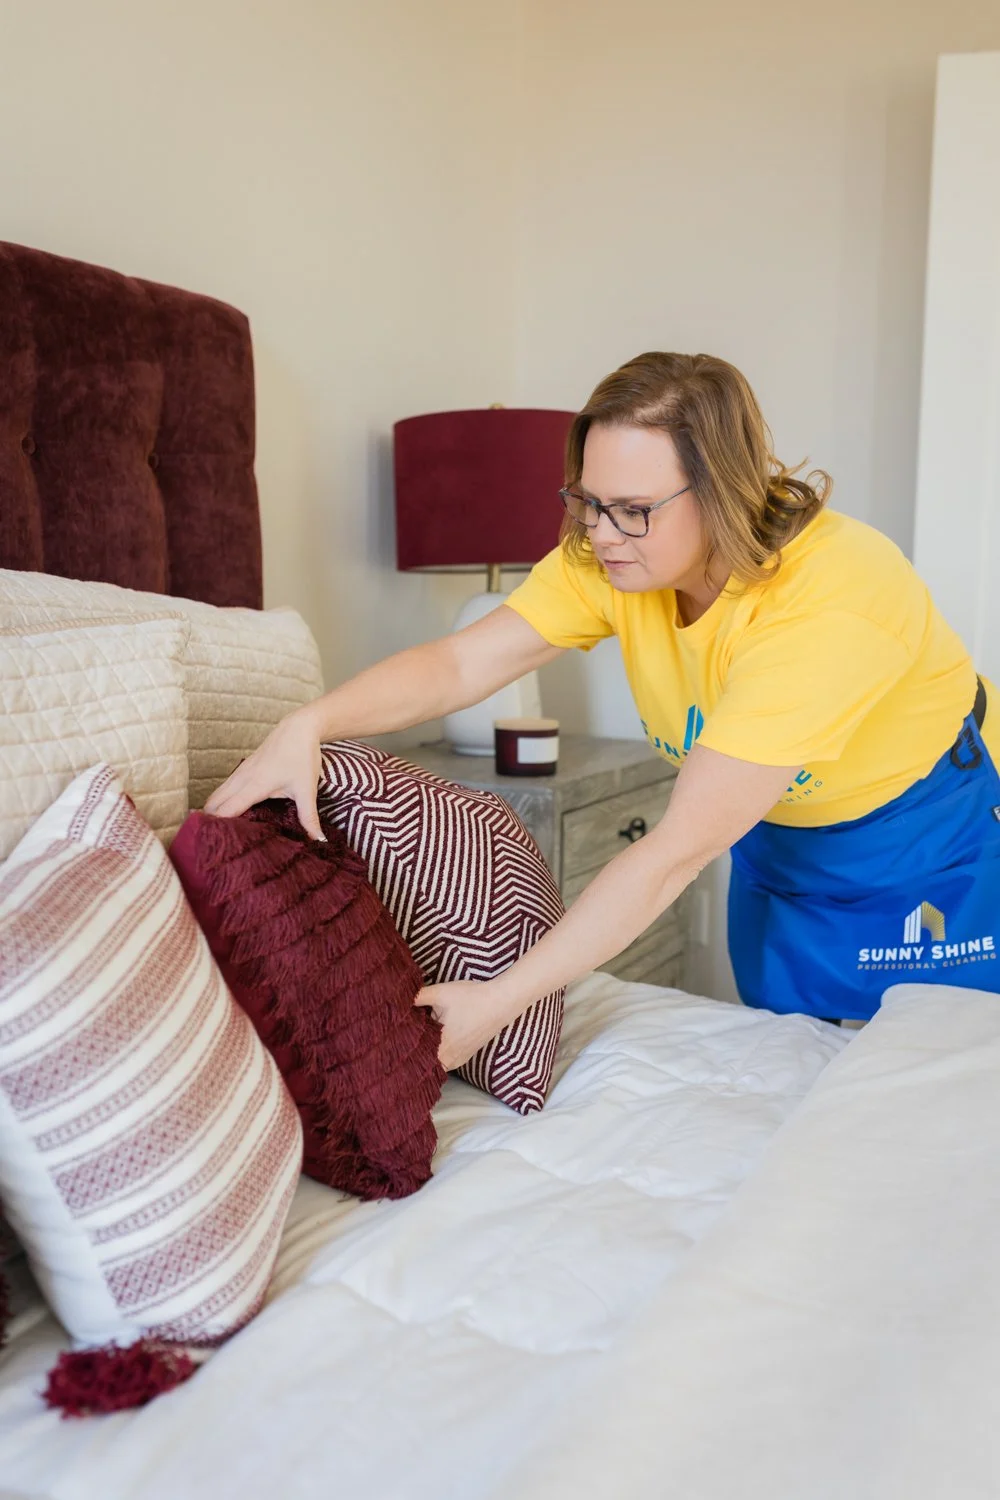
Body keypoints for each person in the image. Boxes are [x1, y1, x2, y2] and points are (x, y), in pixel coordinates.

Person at [206, 352, 1000, 1068]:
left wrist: (500, 1001)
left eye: (633, 509)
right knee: (794, 1063)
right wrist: (307, 725)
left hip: (929, 840)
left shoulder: (831, 601)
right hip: (779, 841)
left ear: (724, 491)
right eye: (587, 502)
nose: (601, 534)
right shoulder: (613, 556)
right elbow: (462, 662)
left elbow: (675, 853)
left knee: (943, 1076)